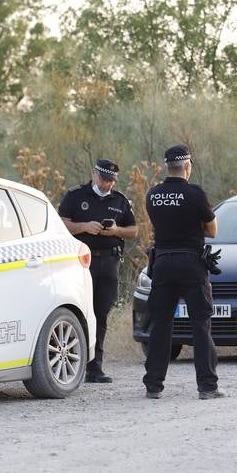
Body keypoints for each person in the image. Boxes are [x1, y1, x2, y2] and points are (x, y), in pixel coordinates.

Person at [143, 144, 222, 400]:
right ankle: (207, 387)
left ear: (167, 166)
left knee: (160, 325)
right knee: (200, 324)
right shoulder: (195, 194)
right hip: (191, 264)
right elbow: (212, 231)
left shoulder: (153, 195)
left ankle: (153, 385)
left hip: (163, 263)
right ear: (187, 166)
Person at [58, 158, 138, 383]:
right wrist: (84, 227)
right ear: (94, 174)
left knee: (101, 314)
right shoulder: (76, 196)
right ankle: (73, 365)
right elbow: (61, 223)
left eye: (111, 181)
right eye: (104, 179)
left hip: (109, 263)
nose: (107, 185)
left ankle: (95, 367)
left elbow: (133, 230)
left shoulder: (120, 200)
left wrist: (116, 230)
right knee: (79, 312)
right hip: (81, 261)